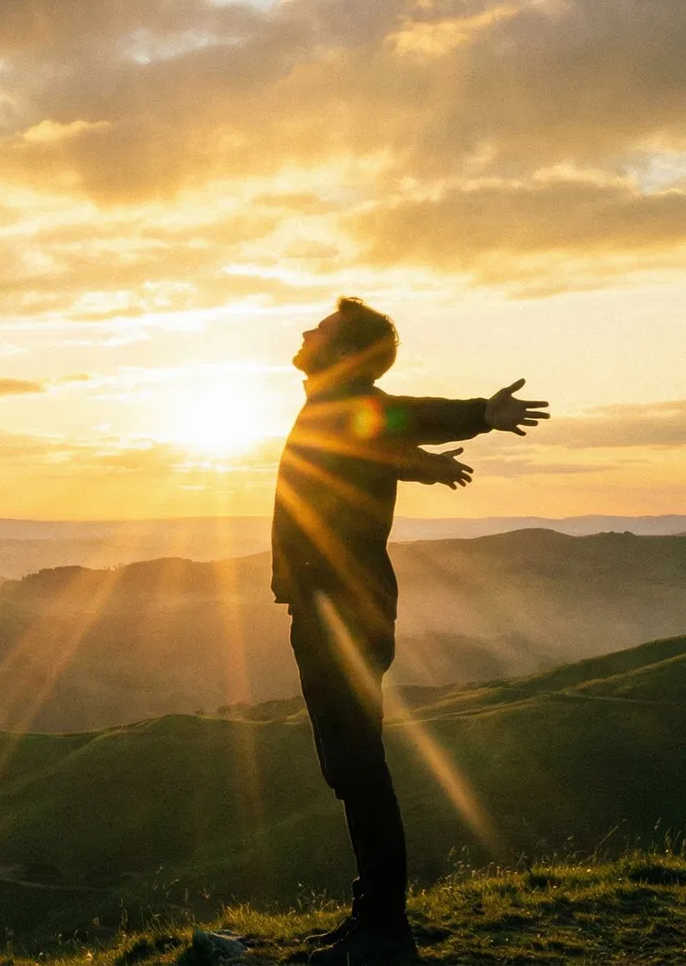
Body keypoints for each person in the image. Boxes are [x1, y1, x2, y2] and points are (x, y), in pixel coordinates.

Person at [272, 297, 548, 965]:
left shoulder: (345, 402)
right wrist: (420, 462)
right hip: (325, 607)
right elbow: (368, 452)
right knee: (347, 764)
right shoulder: (334, 410)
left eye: (324, 329)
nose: (307, 330)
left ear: (344, 354)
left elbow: (406, 415)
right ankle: (372, 914)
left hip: (345, 608)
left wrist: (480, 414)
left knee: (360, 765)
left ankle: (385, 929)